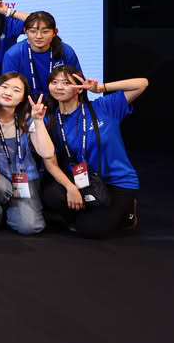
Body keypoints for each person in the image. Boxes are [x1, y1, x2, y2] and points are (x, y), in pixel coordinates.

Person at [40, 66, 148, 238]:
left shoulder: (104, 107)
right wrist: (70, 188)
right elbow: (49, 161)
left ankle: (128, 210)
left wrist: (100, 88)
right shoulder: (49, 118)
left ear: (79, 87)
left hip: (116, 181)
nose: (59, 87)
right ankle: (88, 210)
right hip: (79, 182)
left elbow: (142, 84)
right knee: (51, 196)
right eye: (54, 82)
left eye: (66, 83)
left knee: (91, 230)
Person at [0, 72, 55, 235]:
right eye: (4, 87)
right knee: (1, 188)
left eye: (16, 90)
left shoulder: (28, 118)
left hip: (23, 178)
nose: (8, 93)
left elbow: (47, 152)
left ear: (23, 98)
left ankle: (4, 208)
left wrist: (38, 121)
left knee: (29, 227)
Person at [1, 11, 82, 98]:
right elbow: (9, 89)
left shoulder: (66, 51)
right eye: (33, 31)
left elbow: (77, 85)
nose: (39, 36)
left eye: (45, 32)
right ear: (25, 31)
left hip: (59, 102)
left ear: (55, 32)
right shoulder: (13, 54)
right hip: (24, 105)